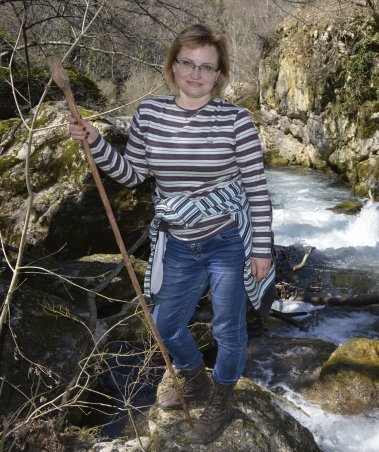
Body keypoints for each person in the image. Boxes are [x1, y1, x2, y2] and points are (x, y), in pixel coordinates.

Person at [68, 23, 274, 444]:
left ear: (219, 74)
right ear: (173, 66)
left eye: (207, 67)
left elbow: (256, 188)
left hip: (227, 240)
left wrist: (262, 250)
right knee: (164, 324)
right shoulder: (150, 114)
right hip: (178, 241)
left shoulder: (235, 120)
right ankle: (194, 377)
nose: (196, 74)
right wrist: (96, 141)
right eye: (187, 63)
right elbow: (132, 174)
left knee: (228, 327)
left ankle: (222, 398)